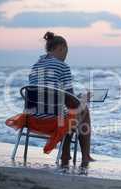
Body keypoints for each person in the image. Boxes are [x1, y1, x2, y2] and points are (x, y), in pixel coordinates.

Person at [28, 31, 94, 169]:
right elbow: (71, 101)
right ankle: (84, 156)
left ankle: (65, 154)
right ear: (61, 48)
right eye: (66, 52)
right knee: (82, 111)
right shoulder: (62, 66)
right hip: (53, 122)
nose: (66, 56)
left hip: (32, 119)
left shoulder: (36, 66)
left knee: (68, 114)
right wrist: (83, 99)